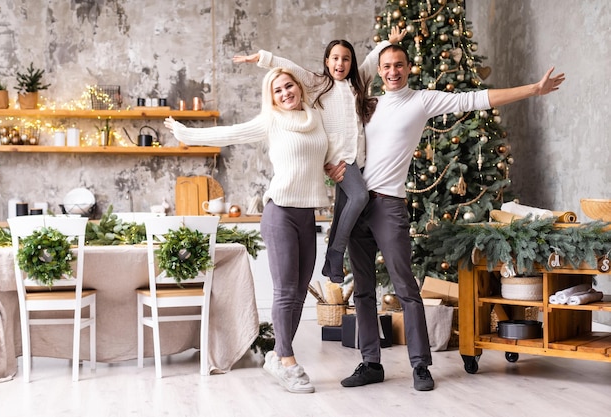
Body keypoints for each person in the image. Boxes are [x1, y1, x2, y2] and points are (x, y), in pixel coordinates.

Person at [326, 44, 565, 391]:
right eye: (387, 66)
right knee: (363, 290)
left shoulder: (421, 101)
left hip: (389, 205)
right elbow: (335, 138)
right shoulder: (367, 106)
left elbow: (475, 99)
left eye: (399, 66)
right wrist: (331, 166)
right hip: (355, 203)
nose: (393, 72)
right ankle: (370, 363)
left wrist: (534, 89)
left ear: (409, 68)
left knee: (406, 288)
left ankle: (421, 366)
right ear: (378, 71)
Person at [165, 67, 330, 394]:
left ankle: (278, 356)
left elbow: (332, 149)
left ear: (298, 86)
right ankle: (287, 361)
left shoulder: (317, 118)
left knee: (299, 292)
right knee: (285, 290)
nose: (284, 94)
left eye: (288, 86)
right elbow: (230, 133)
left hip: (307, 213)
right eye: (277, 90)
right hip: (279, 211)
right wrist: (188, 134)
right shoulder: (271, 121)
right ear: (271, 97)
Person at [233, 27, 406, 283]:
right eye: (335, 58)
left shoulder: (357, 83)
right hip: (337, 160)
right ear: (327, 61)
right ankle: (335, 254)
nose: (340, 63)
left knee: (344, 208)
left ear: (351, 63)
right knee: (359, 196)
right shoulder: (318, 84)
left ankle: (331, 261)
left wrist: (386, 43)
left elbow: (371, 60)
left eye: (346, 58)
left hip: (356, 160)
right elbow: (290, 67)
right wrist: (262, 58)